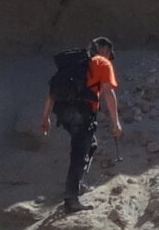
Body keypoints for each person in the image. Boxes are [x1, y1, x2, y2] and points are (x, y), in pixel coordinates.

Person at [39, 37, 121, 212]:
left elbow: (53, 91)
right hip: (82, 113)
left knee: (90, 144)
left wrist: (45, 117)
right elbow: (108, 92)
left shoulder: (72, 66)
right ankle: (71, 199)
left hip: (63, 112)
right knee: (79, 153)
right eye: (110, 52)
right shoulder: (101, 63)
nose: (110, 56)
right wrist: (116, 122)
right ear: (103, 48)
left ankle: (77, 185)